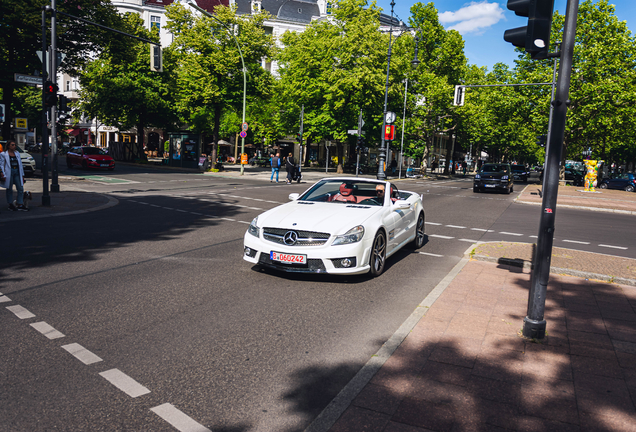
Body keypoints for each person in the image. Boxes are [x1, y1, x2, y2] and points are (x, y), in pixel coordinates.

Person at [0, 140, 28, 211]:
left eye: (15, 145)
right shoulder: (3, 154)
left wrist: (22, 174)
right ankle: (10, 204)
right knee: (9, 189)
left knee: (20, 188)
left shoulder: (17, 153)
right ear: (8, 146)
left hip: (17, 172)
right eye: (12, 145)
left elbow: (20, 164)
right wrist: (2, 173)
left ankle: (20, 204)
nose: (14, 146)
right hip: (9, 172)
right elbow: (1, 164)